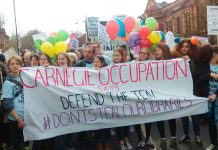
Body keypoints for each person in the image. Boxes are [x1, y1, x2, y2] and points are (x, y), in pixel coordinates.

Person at [172, 39, 202, 145]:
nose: (184, 48)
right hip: (182, 92)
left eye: (187, 46)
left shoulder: (195, 59)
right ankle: (186, 135)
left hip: (193, 92)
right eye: (182, 46)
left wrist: (189, 62)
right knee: (184, 115)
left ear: (190, 48)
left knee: (195, 115)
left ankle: (197, 136)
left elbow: (195, 74)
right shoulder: (176, 60)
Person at [2, 56, 29, 150]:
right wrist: (18, 119)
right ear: (8, 66)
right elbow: (7, 104)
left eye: (17, 64)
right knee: (17, 142)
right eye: (12, 64)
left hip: (28, 116)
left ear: (21, 65)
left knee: (26, 142)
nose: (15, 66)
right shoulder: (8, 83)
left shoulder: (26, 78)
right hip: (16, 118)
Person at [155, 43, 177, 149]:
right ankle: (163, 139)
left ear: (164, 51)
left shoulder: (172, 63)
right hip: (158, 95)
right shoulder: (153, 64)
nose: (156, 52)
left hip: (169, 94)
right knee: (160, 117)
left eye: (158, 50)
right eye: (156, 50)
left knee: (171, 117)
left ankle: (173, 138)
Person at [134, 47, 155, 150]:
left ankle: (147, 139)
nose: (143, 55)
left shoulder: (152, 65)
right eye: (141, 53)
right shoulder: (133, 63)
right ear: (139, 54)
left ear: (147, 55)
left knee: (148, 119)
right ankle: (139, 140)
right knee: (137, 118)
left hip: (148, 95)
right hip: (136, 96)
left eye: (145, 53)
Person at [113, 47, 133, 150]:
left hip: (126, 97)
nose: (116, 57)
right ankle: (121, 141)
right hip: (115, 99)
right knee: (119, 121)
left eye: (118, 55)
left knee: (127, 120)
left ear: (122, 56)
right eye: (114, 55)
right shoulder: (109, 68)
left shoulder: (127, 67)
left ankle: (126, 139)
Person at [55, 52, 75, 150]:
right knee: (59, 129)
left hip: (70, 104)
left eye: (63, 59)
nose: (61, 61)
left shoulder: (74, 71)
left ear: (67, 60)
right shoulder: (52, 71)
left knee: (70, 127)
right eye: (59, 59)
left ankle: (71, 146)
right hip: (58, 104)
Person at [93, 55, 111, 150]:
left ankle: (107, 143)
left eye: (97, 62)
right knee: (98, 126)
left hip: (106, 103)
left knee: (107, 125)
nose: (95, 63)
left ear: (102, 63)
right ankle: (99, 144)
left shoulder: (106, 73)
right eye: (94, 61)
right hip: (95, 103)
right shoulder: (89, 73)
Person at [204, 45, 218, 150]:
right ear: (214, 54)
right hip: (208, 99)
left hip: (216, 96)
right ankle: (213, 143)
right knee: (211, 122)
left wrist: (215, 94)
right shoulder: (205, 66)